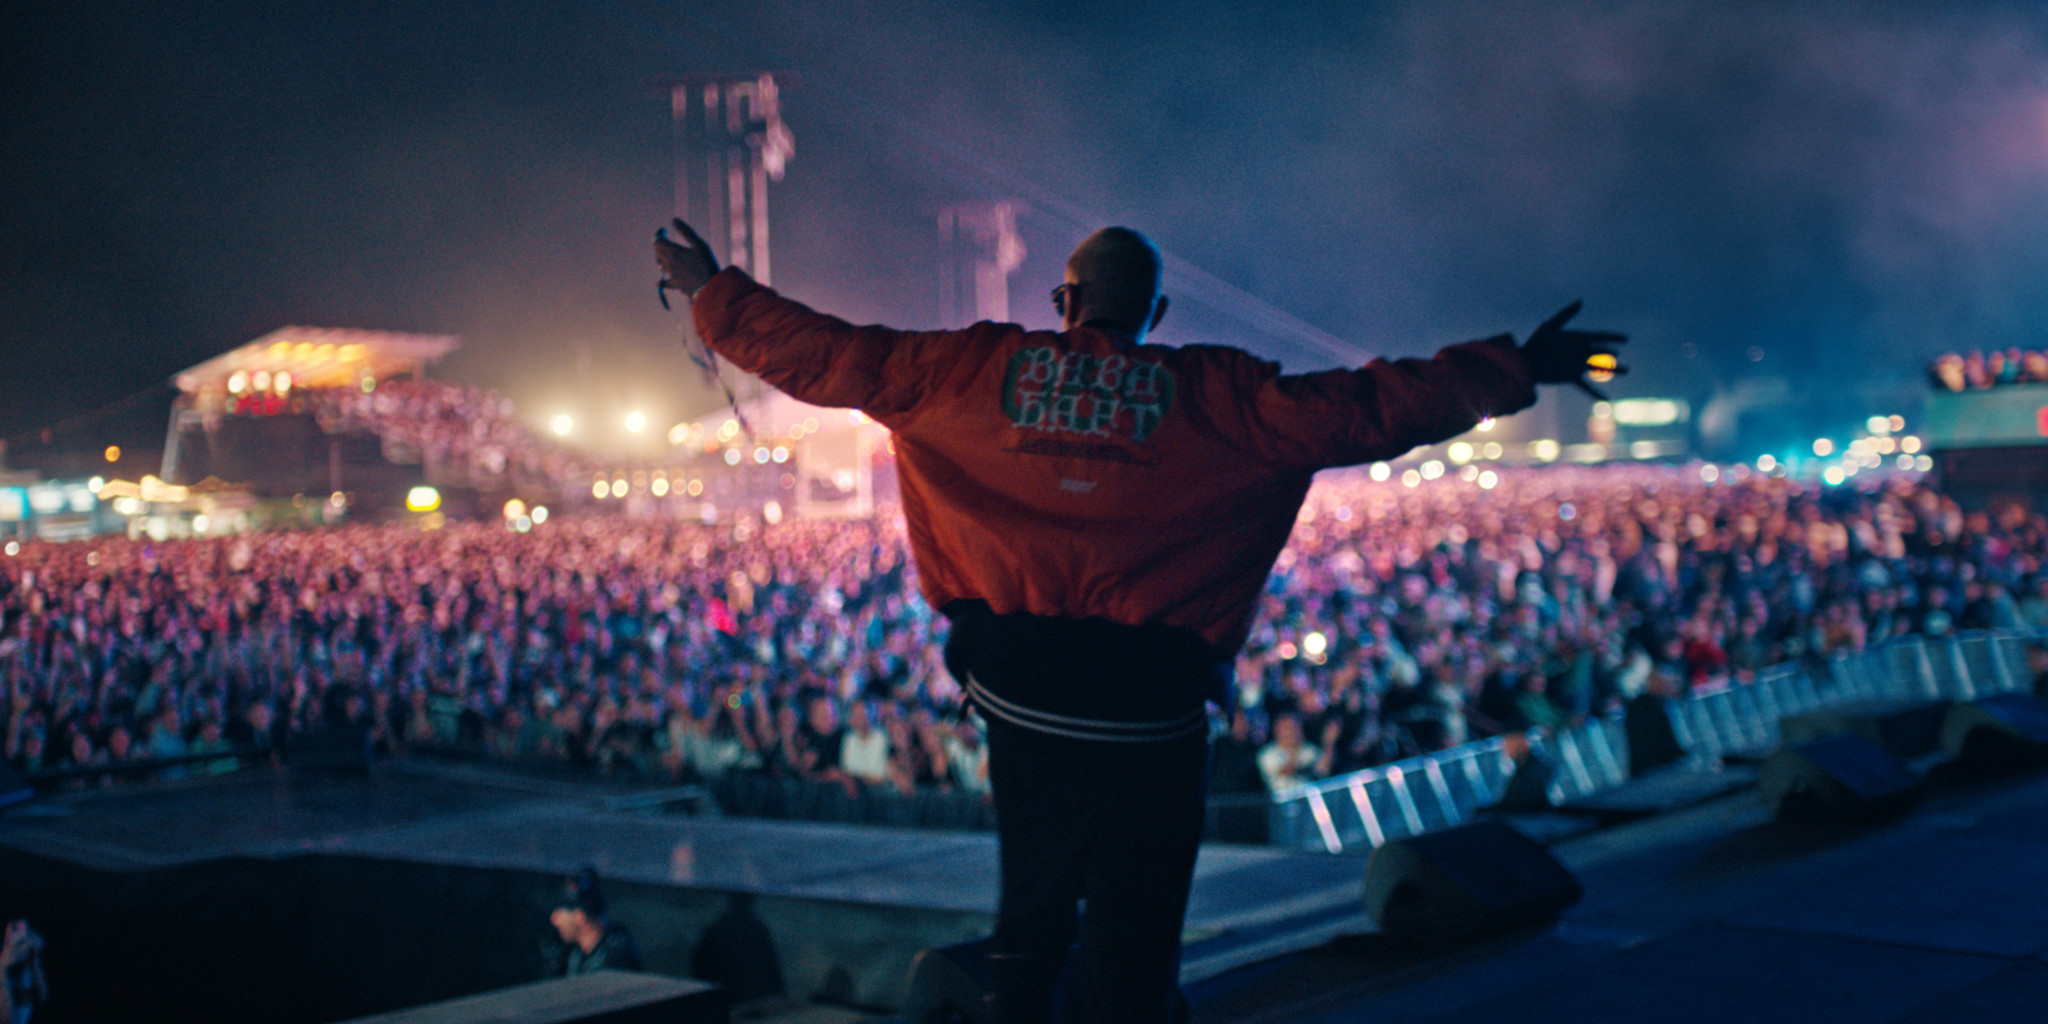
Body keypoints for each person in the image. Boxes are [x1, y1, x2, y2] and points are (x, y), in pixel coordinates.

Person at [657, 219, 1624, 1024]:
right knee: (1140, 926)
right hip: (1154, 710)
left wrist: (715, 294)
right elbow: (1376, 406)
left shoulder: (969, 371)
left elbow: (826, 353)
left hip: (1023, 694)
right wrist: (1517, 364)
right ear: (1156, 314)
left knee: (1031, 912)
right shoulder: (1223, 398)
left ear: (1064, 302)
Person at [542, 868, 642, 978]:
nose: (554, 919)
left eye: (560, 913)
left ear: (580, 917)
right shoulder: (570, 952)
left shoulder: (617, 956)